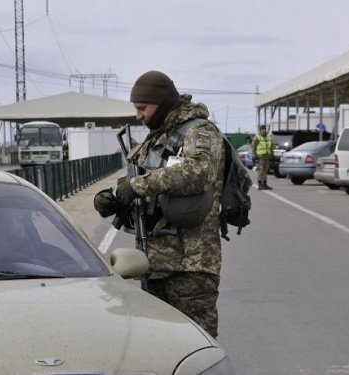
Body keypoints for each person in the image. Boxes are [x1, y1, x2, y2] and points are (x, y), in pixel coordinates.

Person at [94, 70, 225, 338]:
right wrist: (114, 197)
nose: (138, 115)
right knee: (161, 348)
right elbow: (142, 179)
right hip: (152, 265)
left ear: (162, 102)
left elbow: (199, 171)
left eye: (143, 108)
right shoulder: (155, 137)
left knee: (195, 348)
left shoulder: (199, 131)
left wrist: (137, 186)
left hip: (189, 268)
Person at [251, 125, 273, 190]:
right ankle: (260, 184)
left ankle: (264, 183)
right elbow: (253, 147)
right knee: (260, 170)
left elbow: (271, 146)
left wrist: (272, 154)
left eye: (264, 129)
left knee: (265, 170)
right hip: (260, 156)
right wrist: (254, 155)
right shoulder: (257, 138)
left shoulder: (268, 137)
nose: (263, 131)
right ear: (260, 131)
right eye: (262, 130)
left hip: (267, 156)